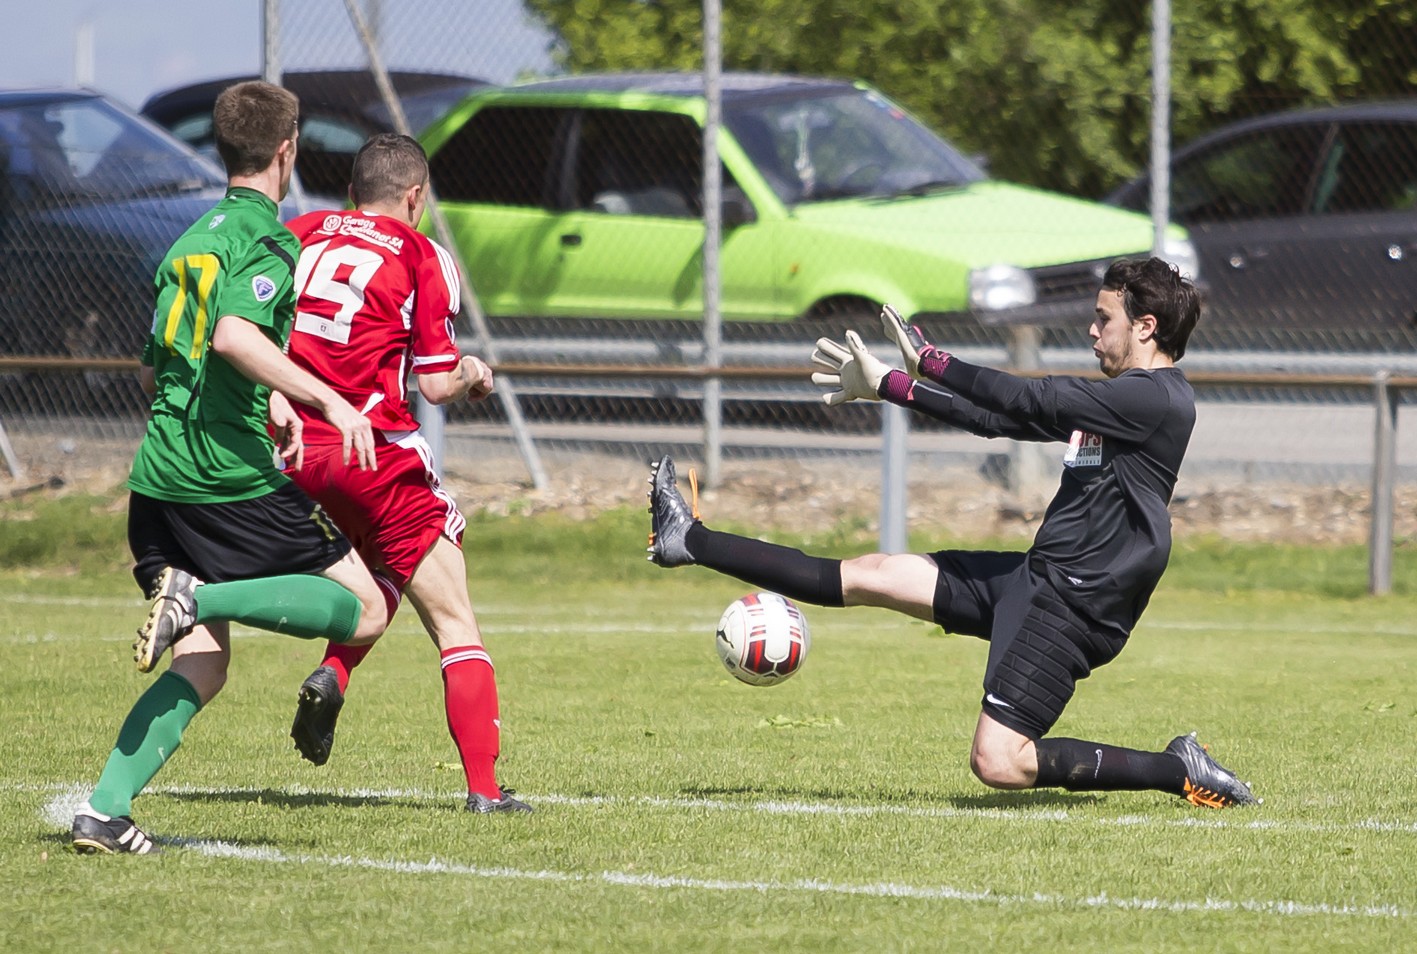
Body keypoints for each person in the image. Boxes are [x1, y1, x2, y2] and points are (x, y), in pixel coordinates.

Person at [647, 257, 1259, 810]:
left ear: (1145, 327)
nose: (1093, 331)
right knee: (868, 574)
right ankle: (687, 539)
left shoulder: (1158, 400)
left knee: (999, 762)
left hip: (1072, 607)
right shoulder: (1125, 399)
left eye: (1104, 319)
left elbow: (1035, 396)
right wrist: (891, 384)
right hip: (1035, 579)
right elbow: (999, 417)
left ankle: (1174, 768)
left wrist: (934, 361)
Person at [71, 81, 392, 855]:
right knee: (367, 607)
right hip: (225, 479)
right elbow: (236, 338)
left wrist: (264, 401)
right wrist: (328, 401)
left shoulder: (189, 241)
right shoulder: (269, 238)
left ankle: (103, 813)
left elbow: (160, 369)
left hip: (158, 478)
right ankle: (198, 594)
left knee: (204, 663)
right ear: (287, 150)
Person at [279, 133, 530, 814]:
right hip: (370, 450)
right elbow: (438, 385)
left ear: (353, 190)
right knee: (454, 618)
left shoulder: (299, 231)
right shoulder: (422, 254)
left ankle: (334, 672)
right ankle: (485, 790)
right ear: (415, 196)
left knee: (383, 565)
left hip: (286, 448)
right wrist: (475, 371)